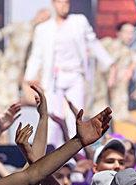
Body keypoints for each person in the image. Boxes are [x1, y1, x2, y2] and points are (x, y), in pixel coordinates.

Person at [24, 0, 115, 147]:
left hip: (75, 75)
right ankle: (51, 153)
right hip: (55, 78)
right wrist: (30, 77)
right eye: (60, 2)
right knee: (53, 117)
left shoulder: (78, 22)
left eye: (66, 2)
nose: (63, 5)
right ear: (53, 4)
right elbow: (36, 54)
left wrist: (110, 64)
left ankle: (76, 155)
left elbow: (94, 43)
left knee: (76, 118)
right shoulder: (44, 28)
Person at [92, 22, 135, 121]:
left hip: (117, 89)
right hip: (99, 86)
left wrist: (129, 70)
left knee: (118, 114)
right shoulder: (108, 42)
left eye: (131, 33)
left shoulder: (129, 52)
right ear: (118, 32)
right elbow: (92, 51)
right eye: (126, 32)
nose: (129, 35)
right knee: (98, 111)